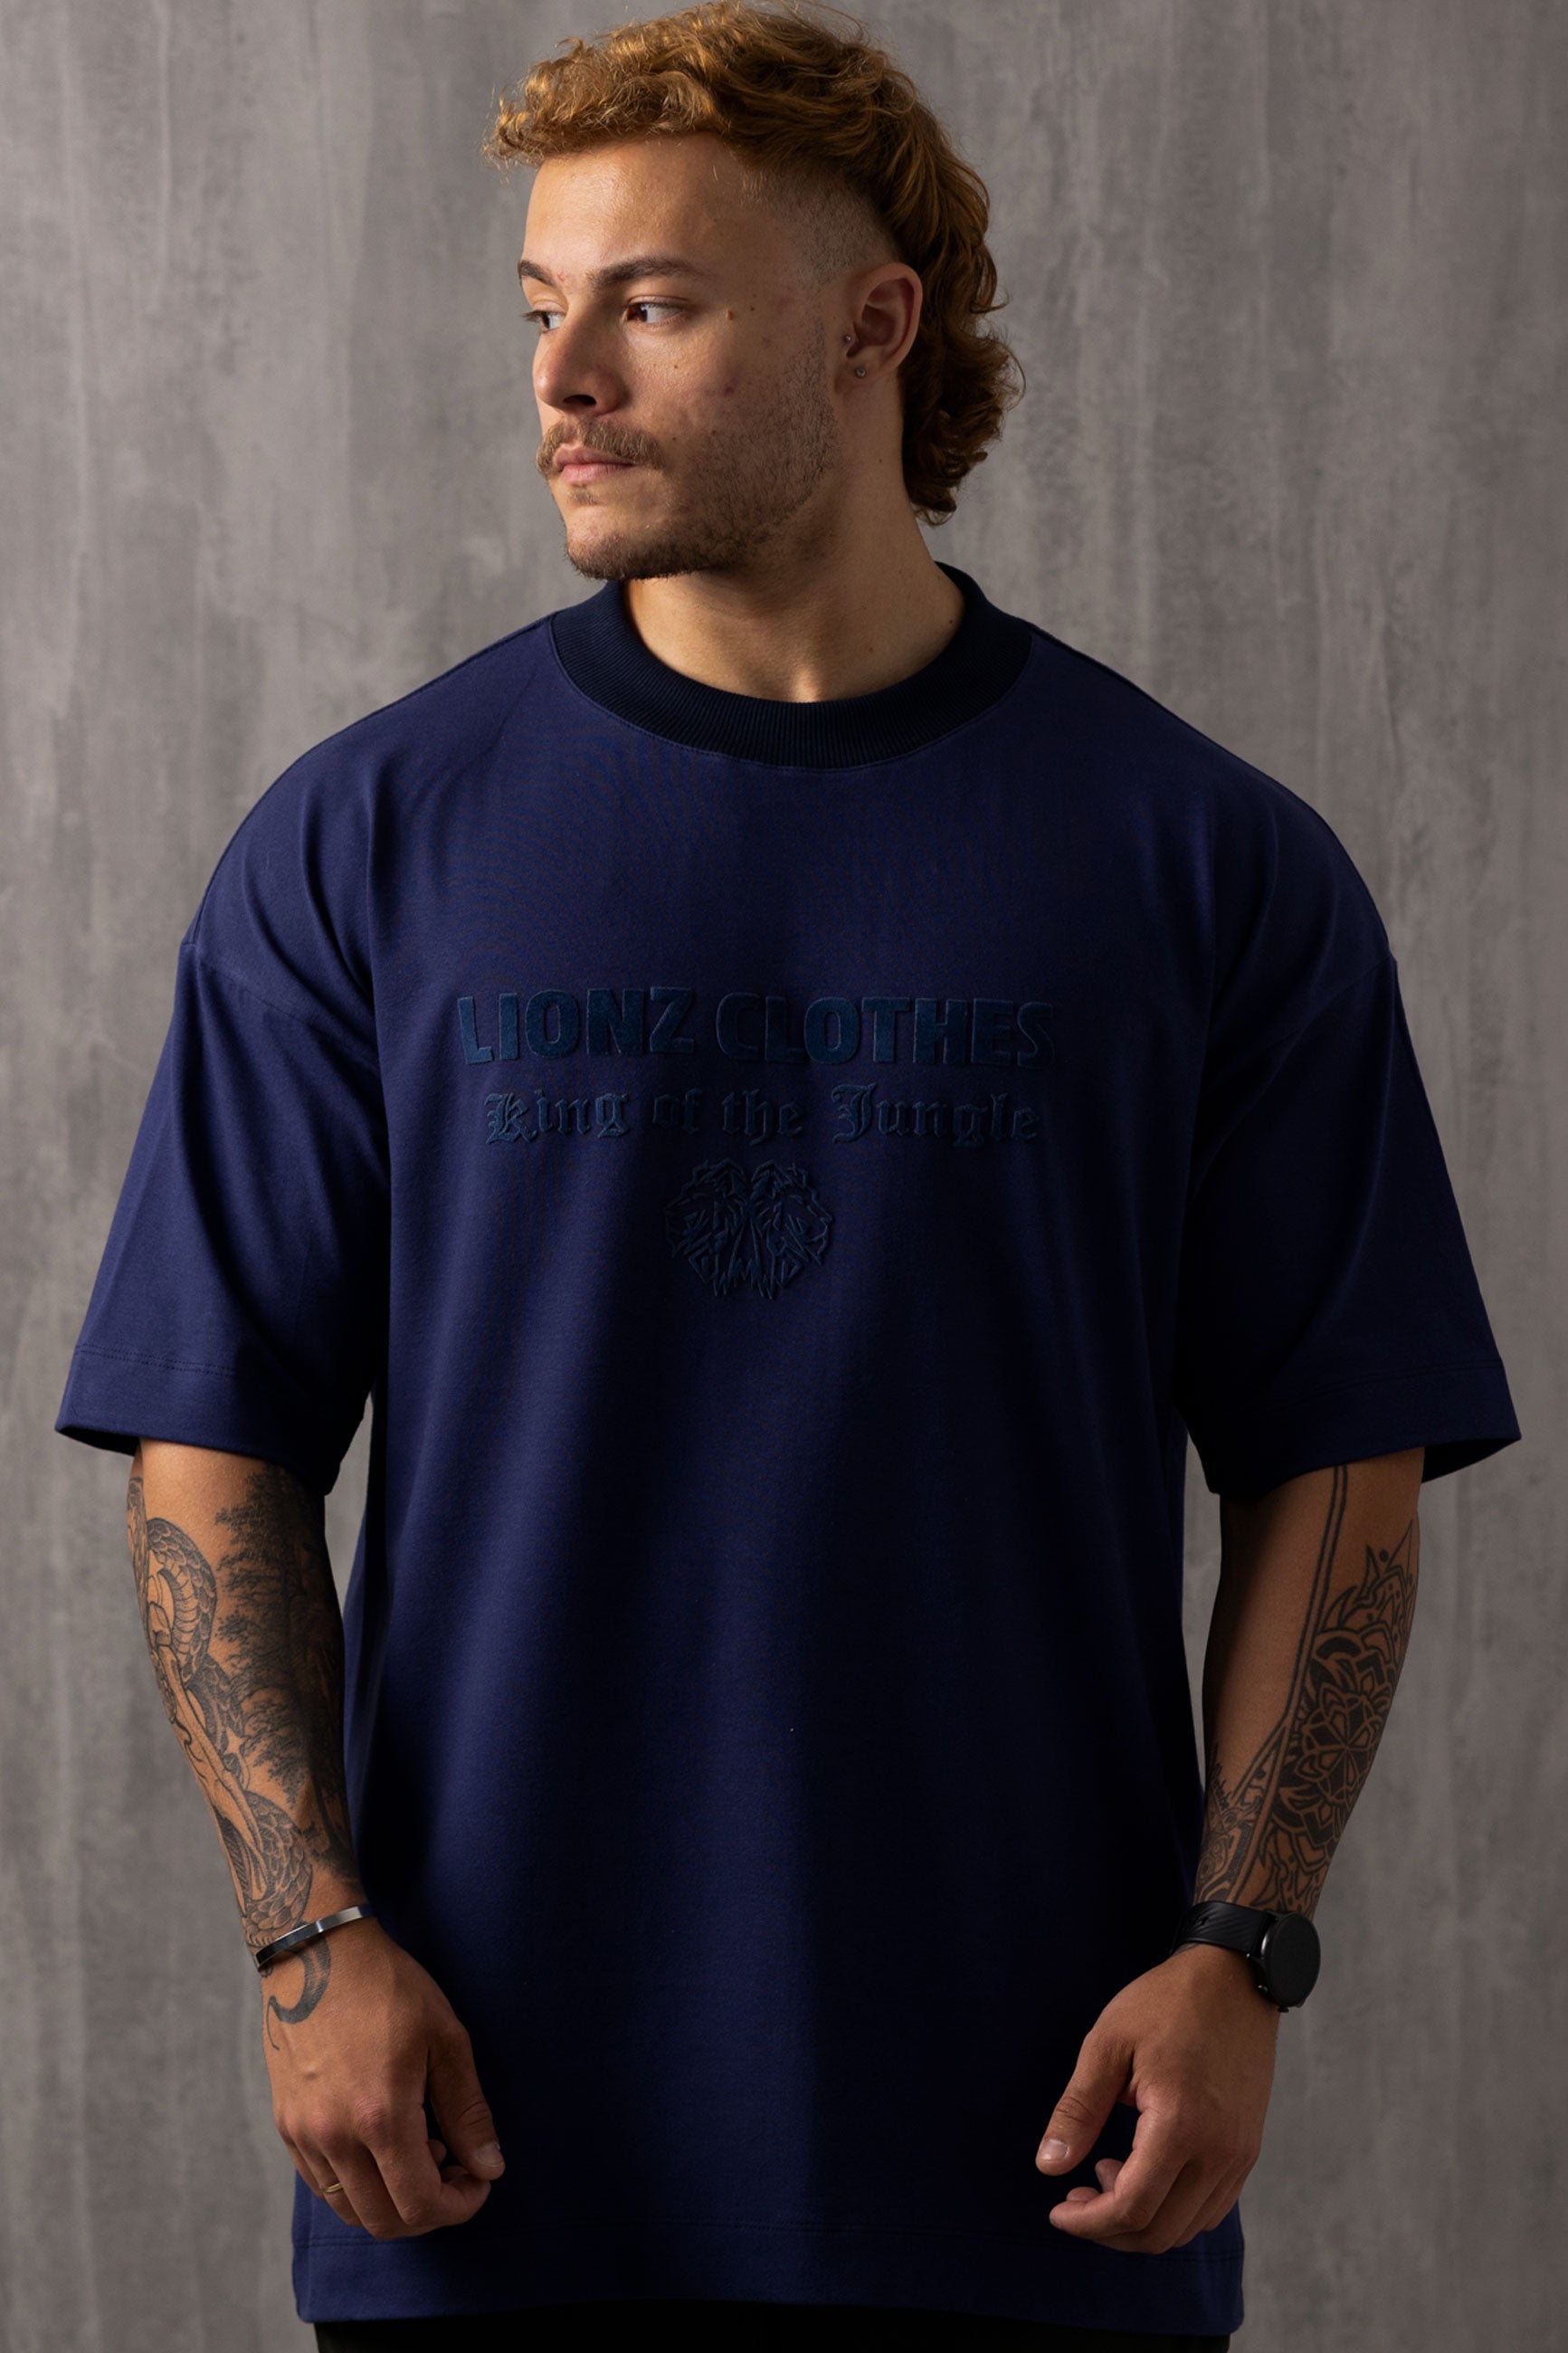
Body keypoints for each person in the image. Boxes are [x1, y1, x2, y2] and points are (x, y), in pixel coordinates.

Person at [55, 5, 1521, 2348]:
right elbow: (212, 1447)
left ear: (871, 330)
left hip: (1042, 2162)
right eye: (543, 309)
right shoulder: (363, 846)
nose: (564, 380)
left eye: (651, 304)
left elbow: (1338, 1461)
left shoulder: (1203, 864)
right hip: (484, 2162)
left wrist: (1242, 1948)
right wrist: (307, 1941)